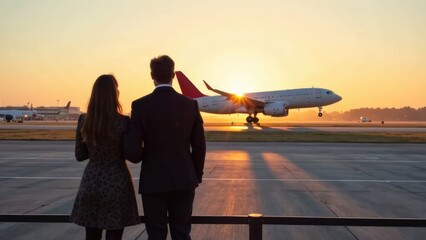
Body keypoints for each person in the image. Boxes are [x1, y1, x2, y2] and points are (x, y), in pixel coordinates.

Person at [125, 55, 206, 240]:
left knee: (156, 234)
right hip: (185, 178)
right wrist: (196, 174)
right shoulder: (190, 105)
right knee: (182, 232)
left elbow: (134, 154)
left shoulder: (139, 106)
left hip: (153, 180)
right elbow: (199, 146)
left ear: (152, 75)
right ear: (173, 76)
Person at [70, 74, 140, 240]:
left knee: (91, 236)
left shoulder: (84, 120)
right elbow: (130, 154)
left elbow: (80, 155)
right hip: (116, 182)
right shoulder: (123, 122)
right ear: (115, 94)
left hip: (91, 181)